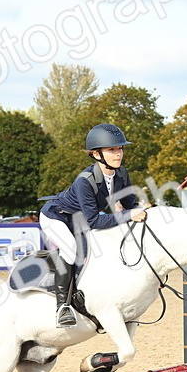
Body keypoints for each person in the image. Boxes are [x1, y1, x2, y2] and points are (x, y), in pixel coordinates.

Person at [39, 123, 146, 327]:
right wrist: (129, 214)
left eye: (120, 148)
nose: (118, 154)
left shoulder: (121, 174)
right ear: (97, 155)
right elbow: (95, 221)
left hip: (79, 218)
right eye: (112, 149)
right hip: (56, 216)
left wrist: (144, 212)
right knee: (70, 250)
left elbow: (130, 205)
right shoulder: (84, 181)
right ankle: (63, 307)